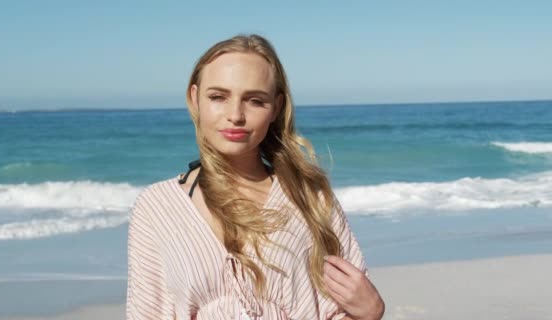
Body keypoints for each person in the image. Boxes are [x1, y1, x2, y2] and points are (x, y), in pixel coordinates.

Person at [126, 34, 384, 320]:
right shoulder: (157, 207)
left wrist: (370, 313)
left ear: (276, 107)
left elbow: (342, 309)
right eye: (218, 97)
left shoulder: (310, 198)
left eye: (254, 100)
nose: (235, 115)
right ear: (194, 98)